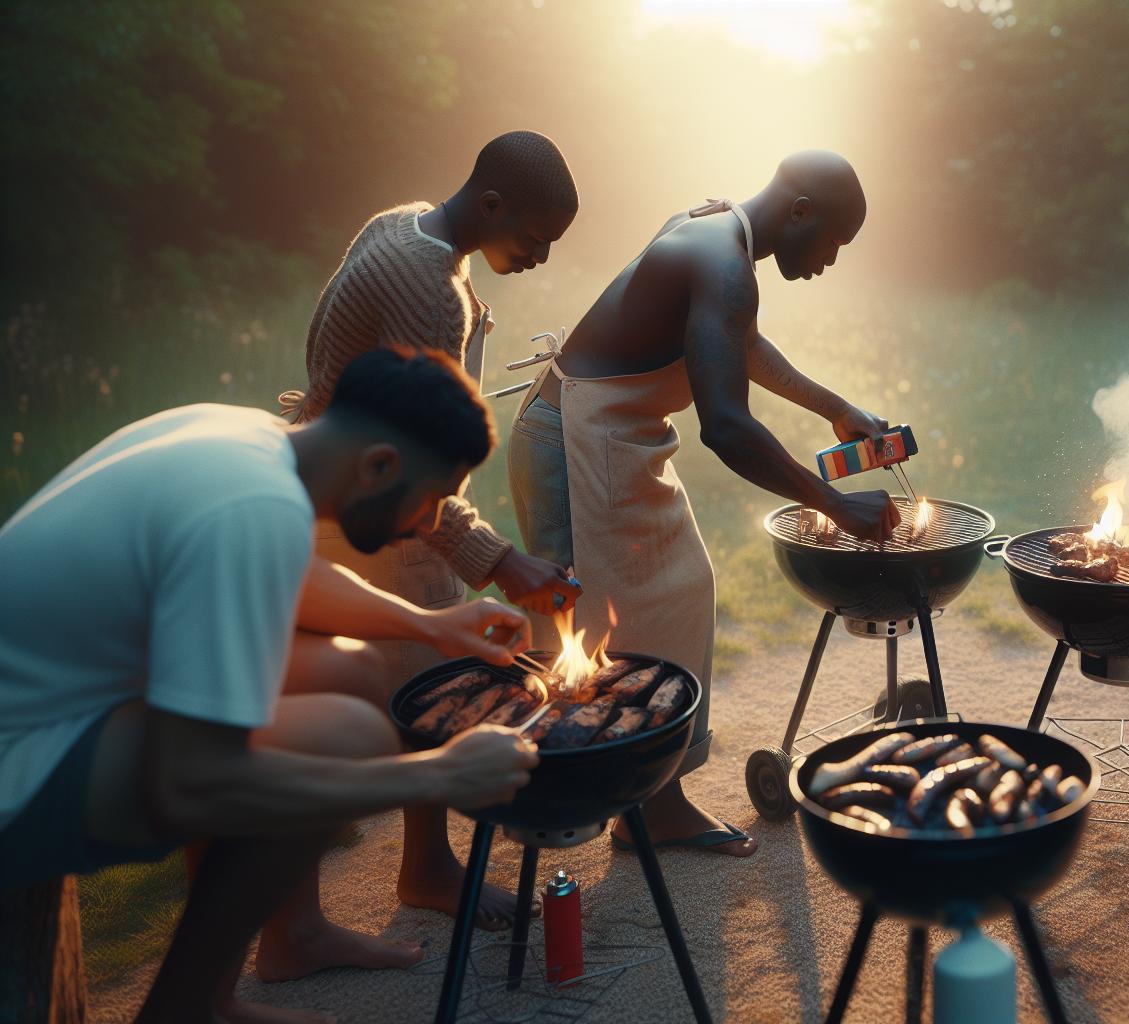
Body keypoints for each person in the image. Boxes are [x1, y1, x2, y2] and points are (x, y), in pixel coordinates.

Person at [0, 348, 541, 1024]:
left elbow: (295, 575)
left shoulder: (241, 437)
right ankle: (184, 1012)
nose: (432, 526)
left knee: (353, 669)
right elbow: (190, 781)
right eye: (434, 500)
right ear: (379, 466)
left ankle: (288, 939)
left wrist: (431, 624)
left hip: (59, 696)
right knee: (348, 736)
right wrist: (438, 773)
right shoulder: (253, 505)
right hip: (21, 760)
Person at [507, 150, 900, 858]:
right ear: (801, 212)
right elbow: (726, 428)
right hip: (572, 439)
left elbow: (737, 342)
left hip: (612, 436)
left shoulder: (715, 227)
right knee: (578, 626)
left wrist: (835, 408)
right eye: (834, 243)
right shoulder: (722, 263)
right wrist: (837, 507)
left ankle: (654, 803)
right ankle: (546, 805)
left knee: (681, 589)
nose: (831, 261)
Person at [279, 130, 581, 930]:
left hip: (346, 478)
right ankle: (426, 870)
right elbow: (418, 467)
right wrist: (501, 561)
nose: (541, 257)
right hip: (379, 512)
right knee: (432, 689)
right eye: (535, 238)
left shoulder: (409, 223)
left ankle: (310, 919)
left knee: (365, 690)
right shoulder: (431, 288)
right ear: (492, 204)